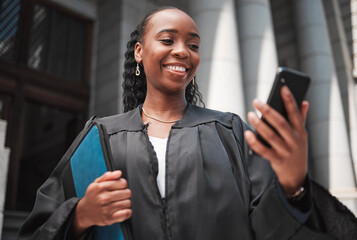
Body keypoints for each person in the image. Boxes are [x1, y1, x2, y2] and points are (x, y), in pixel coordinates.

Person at [18, 6, 357, 240]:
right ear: (139, 51)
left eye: (193, 44)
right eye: (167, 40)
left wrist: (293, 185)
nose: (182, 51)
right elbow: (38, 229)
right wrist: (79, 217)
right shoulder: (101, 136)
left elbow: (269, 226)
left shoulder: (230, 133)